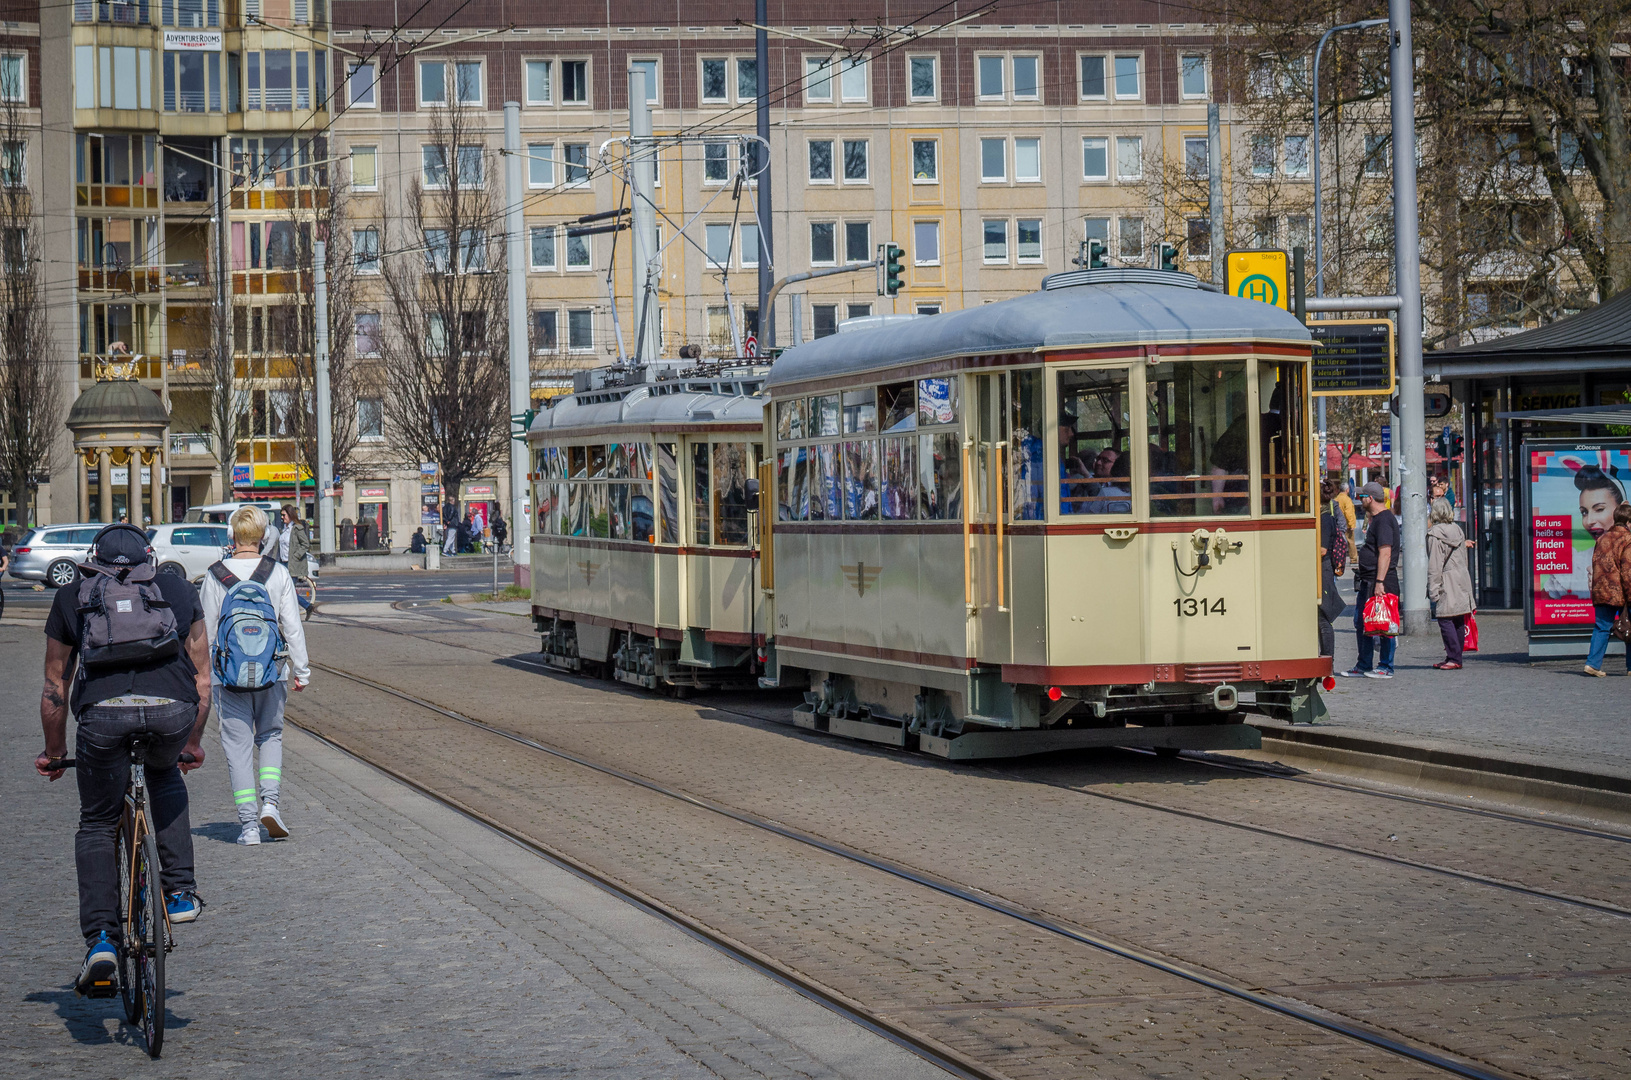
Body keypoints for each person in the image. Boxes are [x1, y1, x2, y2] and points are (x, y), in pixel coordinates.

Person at [36, 522, 210, 995]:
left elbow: (55, 686)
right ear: (147, 557)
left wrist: (55, 752)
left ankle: (101, 941)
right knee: (166, 774)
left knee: (96, 822)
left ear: (94, 557)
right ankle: (177, 893)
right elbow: (203, 681)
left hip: (103, 719)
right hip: (172, 712)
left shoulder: (72, 595)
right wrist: (191, 742)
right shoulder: (176, 587)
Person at [200, 506, 311, 845]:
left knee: (237, 748)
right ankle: (271, 804)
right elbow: (292, 627)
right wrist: (301, 671)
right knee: (271, 736)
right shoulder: (276, 573)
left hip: (227, 678)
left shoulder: (215, 574)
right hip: (272, 673)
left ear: (231, 536)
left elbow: (204, 632)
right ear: (264, 537)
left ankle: (248, 827)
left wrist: (203, 677)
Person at [1341, 481, 1400, 679]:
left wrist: (1380, 582)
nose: (1360, 500)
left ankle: (1386, 666)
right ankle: (1364, 664)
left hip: (1380, 581)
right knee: (1363, 622)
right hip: (1369, 580)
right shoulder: (1377, 519)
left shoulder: (1384, 520)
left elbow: (1385, 553)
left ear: (1370, 498)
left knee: (1384, 624)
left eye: (1362, 497)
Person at [1426, 498, 1475, 670]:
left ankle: (1454, 658)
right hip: (1461, 577)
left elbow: (1435, 565)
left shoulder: (1435, 534)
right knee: (1458, 618)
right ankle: (1454, 656)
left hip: (1447, 579)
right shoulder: (1458, 530)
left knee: (1445, 618)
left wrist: (1433, 590)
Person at [1585, 501, 1631, 677]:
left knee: (1601, 627)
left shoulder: (1603, 538)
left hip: (1602, 591)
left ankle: (1592, 664)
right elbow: (1628, 572)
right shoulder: (1628, 540)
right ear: (1628, 522)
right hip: (1621, 592)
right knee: (1629, 627)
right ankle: (1630, 667)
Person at [1317, 480, 1348, 657]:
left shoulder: (1325, 518)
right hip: (1324, 570)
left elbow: (1322, 550)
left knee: (1323, 617)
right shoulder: (1326, 515)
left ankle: (1328, 657)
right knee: (1321, 617)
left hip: (1324, 570)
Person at [279, 504, 312, 615]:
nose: (282, 517)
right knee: (283, 590)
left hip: (291, 563)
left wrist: (296, 556)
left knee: (290, 591)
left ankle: (306, 606)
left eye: (284, 515)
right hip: (283, 563)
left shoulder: (297, 528)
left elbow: (305, 544)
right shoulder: (284, 529)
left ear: (290, 514)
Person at [1329, 480, 1358, 564]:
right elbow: (1348, 513)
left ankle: (1339, 557)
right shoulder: (1347, 499)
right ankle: (1353, 559)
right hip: (1347, 525)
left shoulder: (1336, 499)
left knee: (1339, 542)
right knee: (1351, 542)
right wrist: (1351, 524)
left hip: (1338, 524)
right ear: (1347, 490)